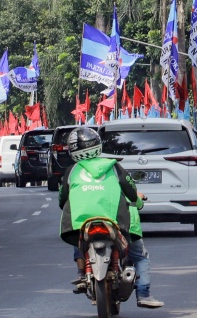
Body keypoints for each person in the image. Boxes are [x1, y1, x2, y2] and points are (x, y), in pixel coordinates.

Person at [58, 127, 164, 309]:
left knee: (79, 240)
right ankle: (144, 293)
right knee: (140, 255)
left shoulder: (72, 170)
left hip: (81, 223)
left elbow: (62, 197)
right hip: (114, 221)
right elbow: (130, 189)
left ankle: (81, 273)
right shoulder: (113, 167)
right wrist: (137, 202)